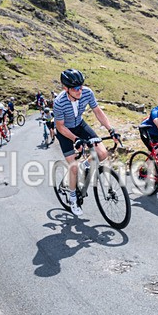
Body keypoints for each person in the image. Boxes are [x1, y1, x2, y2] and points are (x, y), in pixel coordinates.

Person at [53, 69, 120, 216]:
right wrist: (75, 139)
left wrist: (111, 130)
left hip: (80, 125)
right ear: (66, 89)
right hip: (65, 131)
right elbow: (60, 126)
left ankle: (85, 164)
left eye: (81, 86)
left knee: (102, 154)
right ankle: (72, 197)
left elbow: (97, 111)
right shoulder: (59, 102)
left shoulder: (87, 93)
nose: (80, 91)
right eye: (76, 88)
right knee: (74, 168)